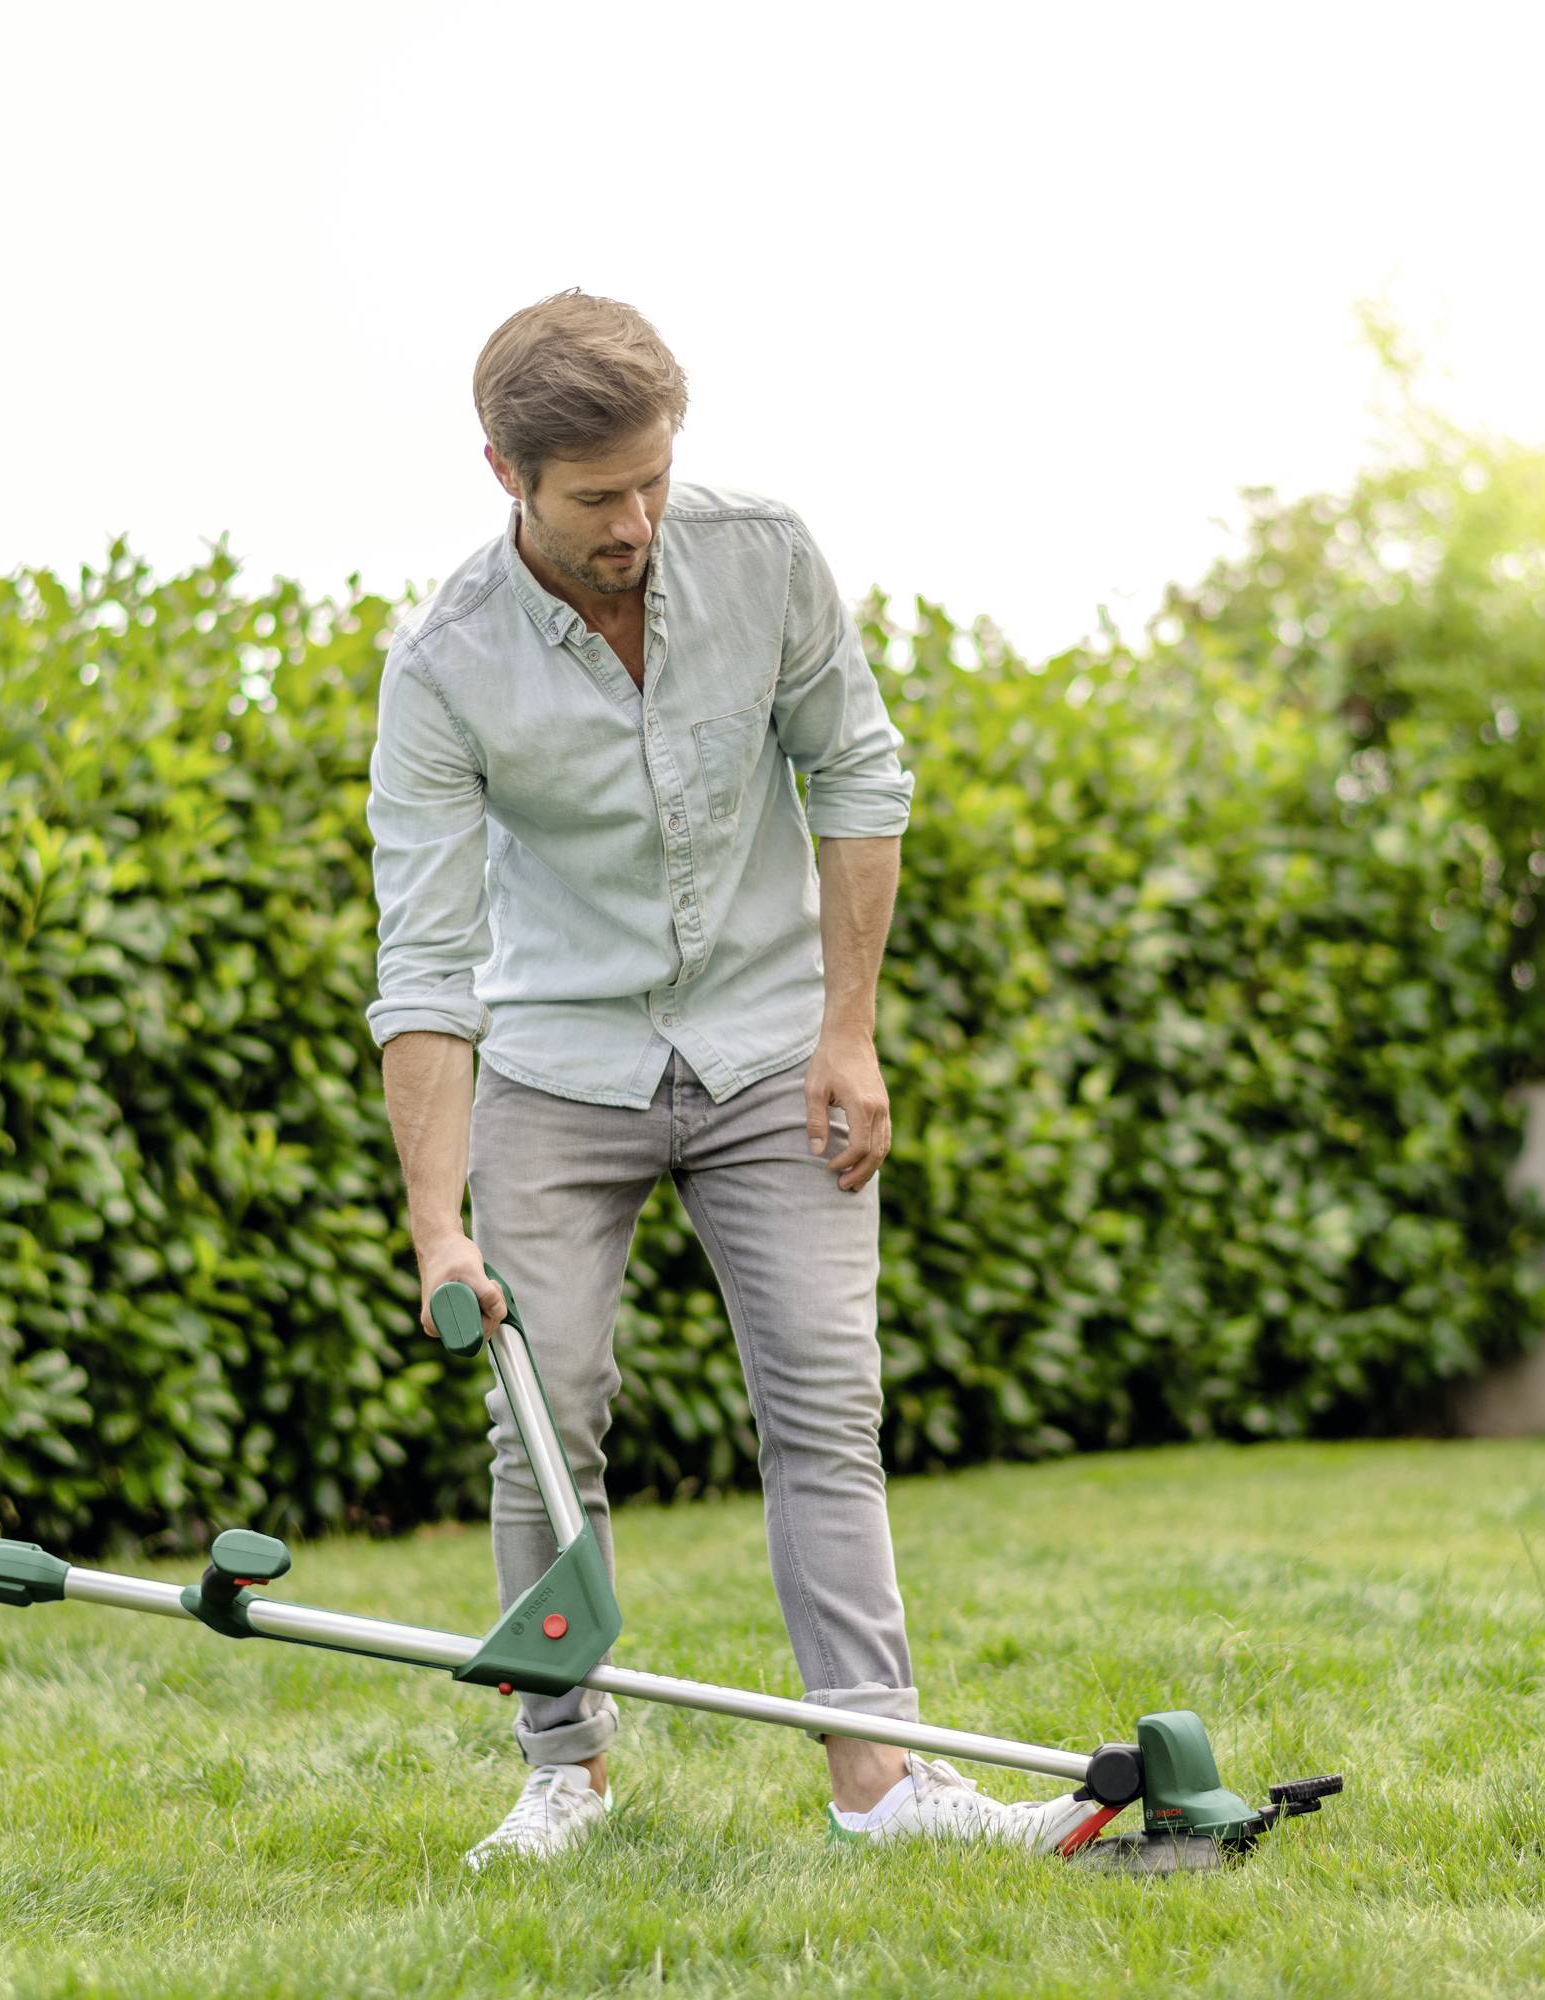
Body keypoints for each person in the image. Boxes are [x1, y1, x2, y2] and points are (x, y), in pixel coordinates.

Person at [365, 289, 1089, 1868]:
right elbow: (423, 963)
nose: (634, 522)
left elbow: (859, 762)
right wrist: (438, 1225)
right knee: (545, 1420)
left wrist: (850, 1029)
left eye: (651, 481)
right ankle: (564, 1771)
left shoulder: (763, 554)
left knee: (828, 1407)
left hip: (772, 1048)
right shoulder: (441, 666)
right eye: (593, 498)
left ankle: (885, 1787)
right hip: (559, 1068)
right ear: (503, 473)